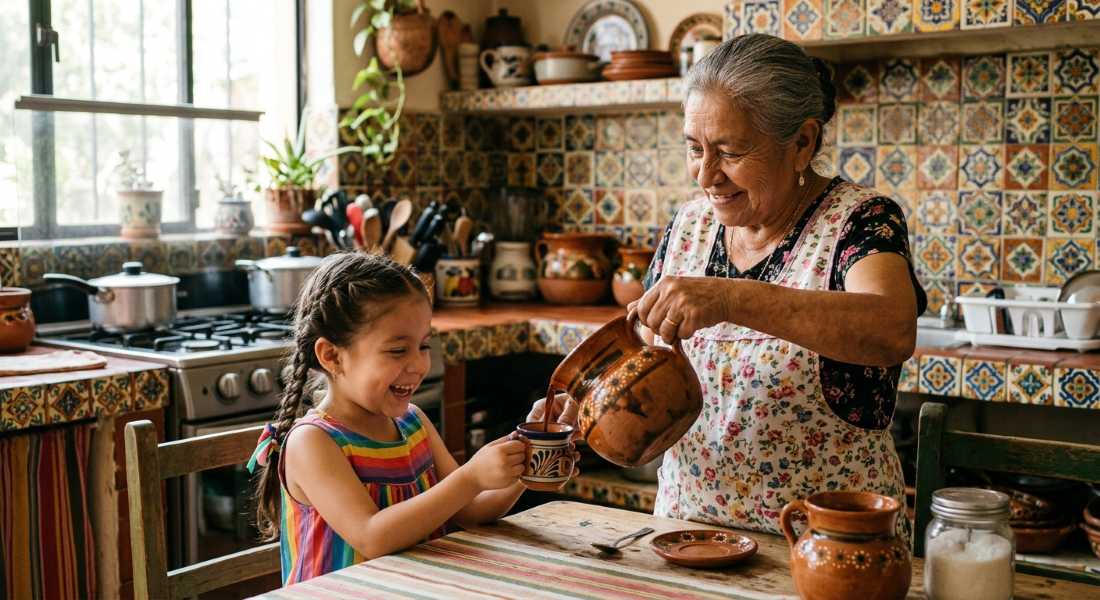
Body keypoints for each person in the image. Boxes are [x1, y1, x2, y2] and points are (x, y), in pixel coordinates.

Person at [627, 34, 927, 539]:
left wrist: (729, 297)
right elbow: (648, 353)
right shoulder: (689, 226)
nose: (706, 175)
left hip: (829, 549)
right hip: (689, 535)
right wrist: (595, 401)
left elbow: (891, 329)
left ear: (802, 143)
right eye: (694, 149)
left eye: (730, 152)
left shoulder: (860, 221)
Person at [248, 252, 570, 585]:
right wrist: (471, 478)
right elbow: (372, 537)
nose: (418, 364)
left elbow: (471, 512)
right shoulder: (313, 442)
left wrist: (531, 454)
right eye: (398, 350)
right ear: (332, 356)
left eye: (424, 346)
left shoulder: (413, 424)